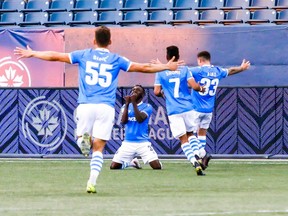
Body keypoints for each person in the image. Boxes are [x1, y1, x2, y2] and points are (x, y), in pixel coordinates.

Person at [14, 26, 182, 194]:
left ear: (94, 41)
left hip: (86, 105)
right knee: (99, 148)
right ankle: (91, 182)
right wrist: (167, 67)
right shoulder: (117, 59)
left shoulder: (84, 55)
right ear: (110, 42)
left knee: (81, 139)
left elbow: (55, 56)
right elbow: (144, 68)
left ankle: (82, 141)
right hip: (105, 107)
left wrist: (34, 53)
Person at [189, 51, 250, 170]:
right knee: (202, 133)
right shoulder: (217, 71)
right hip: (208, 109)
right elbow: (230, 71)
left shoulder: (198, 70)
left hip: (196, 108)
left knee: (190, 133)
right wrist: (241, 68)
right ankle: (202, 158)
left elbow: (183, 72)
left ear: (200, 60)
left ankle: (201, 154)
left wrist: (166, 67)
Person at [154, 45, 206, 176]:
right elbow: (194, 86)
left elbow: (156, 91)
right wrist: (201, 88)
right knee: (191, 135)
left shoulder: (160, 71)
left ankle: (194, 162)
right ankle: (198, 156)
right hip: (188, 107)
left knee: (183, 139)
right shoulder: (184, 69)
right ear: (178, 56)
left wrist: (163, 94)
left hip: (174, 110)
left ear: (167, 57)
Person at [110, 84, 162, 170]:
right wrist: (127, 104)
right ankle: (132, 163)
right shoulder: (125, 106)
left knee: (156, 167)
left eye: (137, 90)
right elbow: (124, 121)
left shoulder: (147, 106)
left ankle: (156, 161)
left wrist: (133, 103)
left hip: (142, 142)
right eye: (133, 90)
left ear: (143, 95)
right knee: (114, 167)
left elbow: (140, 119)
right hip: (128, 143)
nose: (134, 91)